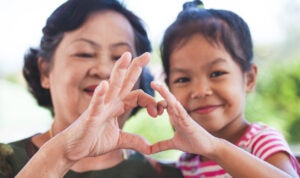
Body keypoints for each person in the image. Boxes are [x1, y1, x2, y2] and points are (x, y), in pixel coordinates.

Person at [0, 0, 183, 177]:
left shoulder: (164, 174)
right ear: (45, 72)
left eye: (120, 57)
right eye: (84, 53)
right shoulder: (6, 162)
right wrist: (62, 155)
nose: (104, 70)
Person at [150, 0, 300, 177]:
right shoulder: (188, 162)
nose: (200, 91)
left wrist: (216, 148)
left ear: (249, 79)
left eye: (216, 73)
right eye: (183, 79)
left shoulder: (260, 141)